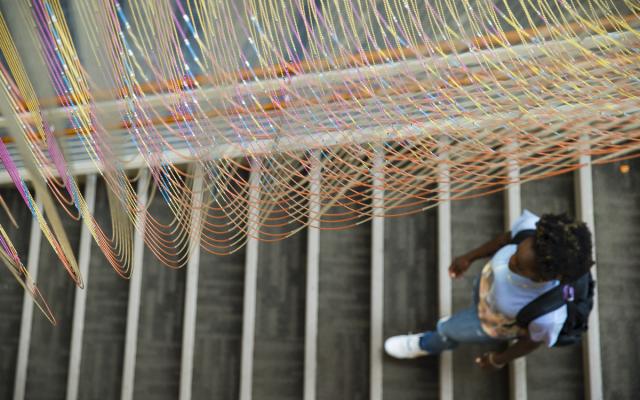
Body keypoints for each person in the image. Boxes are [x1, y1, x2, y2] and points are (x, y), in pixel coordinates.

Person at [384, 210, 594, 370]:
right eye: (515, 253)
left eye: (519, 268)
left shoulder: (547, 316)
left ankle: (426, 343)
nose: (510, 261)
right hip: (485, 290)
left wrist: (497, 360)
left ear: (542, 278)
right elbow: (505, 239)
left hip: (491, 323)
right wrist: (469, 257)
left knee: (449, 329)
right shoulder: (530, 230)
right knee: (475, 300)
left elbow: (531, 341)